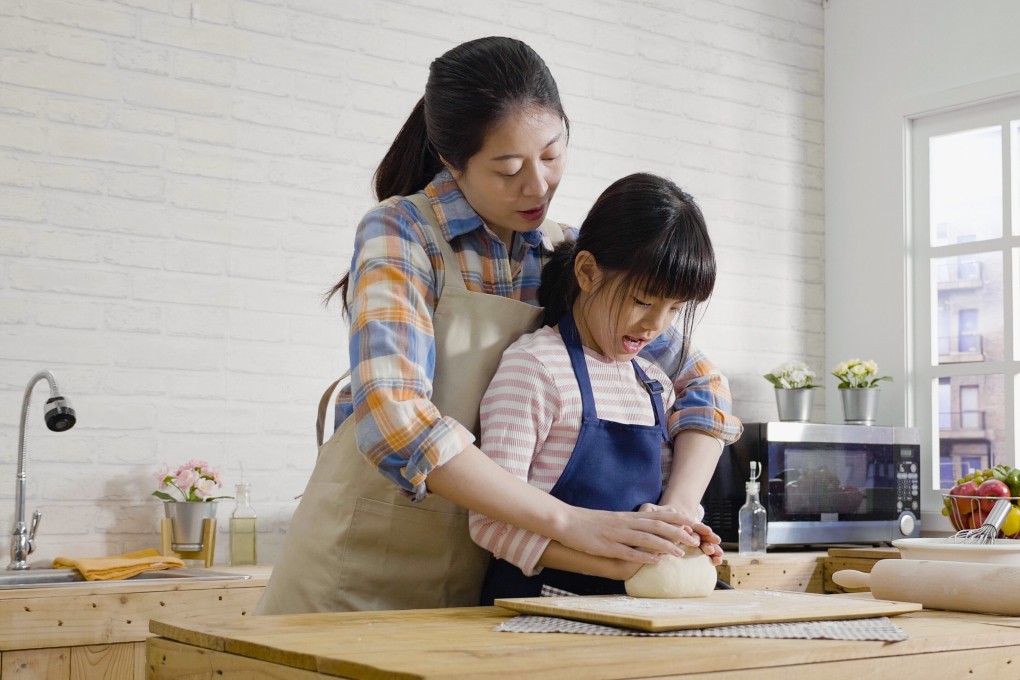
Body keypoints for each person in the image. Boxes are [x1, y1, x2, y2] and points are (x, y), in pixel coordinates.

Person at [256, 37, 741, 616]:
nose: (537, 186)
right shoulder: (403, 232)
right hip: (363, 564)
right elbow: (395, 417)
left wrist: (679, 510)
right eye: (508, 168)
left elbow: (701, 383)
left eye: (553, 155)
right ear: (450, 159)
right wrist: (568, 522)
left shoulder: (565, 253)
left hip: (487, 571)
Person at [471, 173, 736, 603]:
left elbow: (659, 512)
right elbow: (491, 524)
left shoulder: (653, 385)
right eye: (643, 301)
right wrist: (616, 563)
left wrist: (678, 532)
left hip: (633, 608)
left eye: (675, 309)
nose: (657, 326)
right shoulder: (535, 369)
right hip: (544, 607)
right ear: (589, 272)